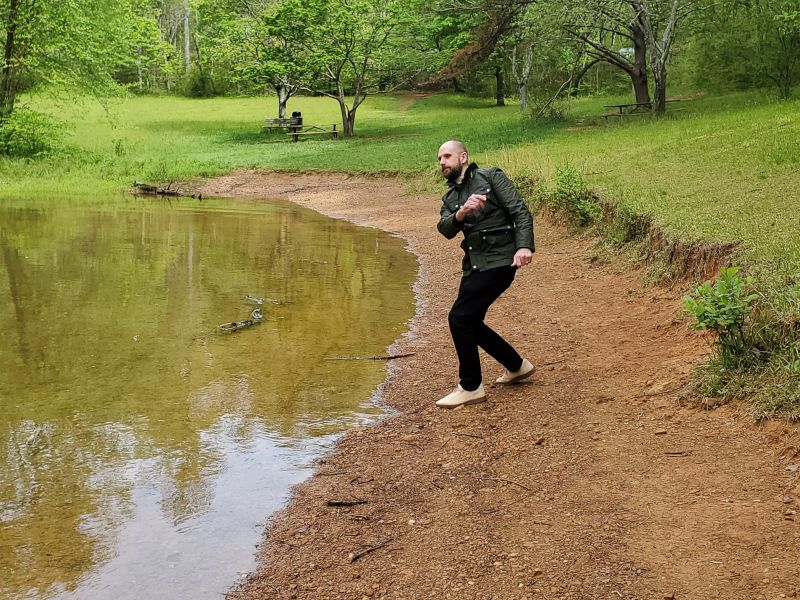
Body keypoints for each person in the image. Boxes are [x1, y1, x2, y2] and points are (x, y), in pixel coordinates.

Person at [435, 140, 536, 409]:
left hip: (501, 260)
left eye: (447, 156)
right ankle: (516, 366)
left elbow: (520, 212)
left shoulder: (491, 177)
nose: (442, 162)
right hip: (475, 265)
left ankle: (470, 387)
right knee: (470, 321)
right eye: (440, 159)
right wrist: (462, 211)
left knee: (459, 317)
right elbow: (445, 228)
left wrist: (524, 246)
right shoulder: (450, 197)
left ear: (463, 157)